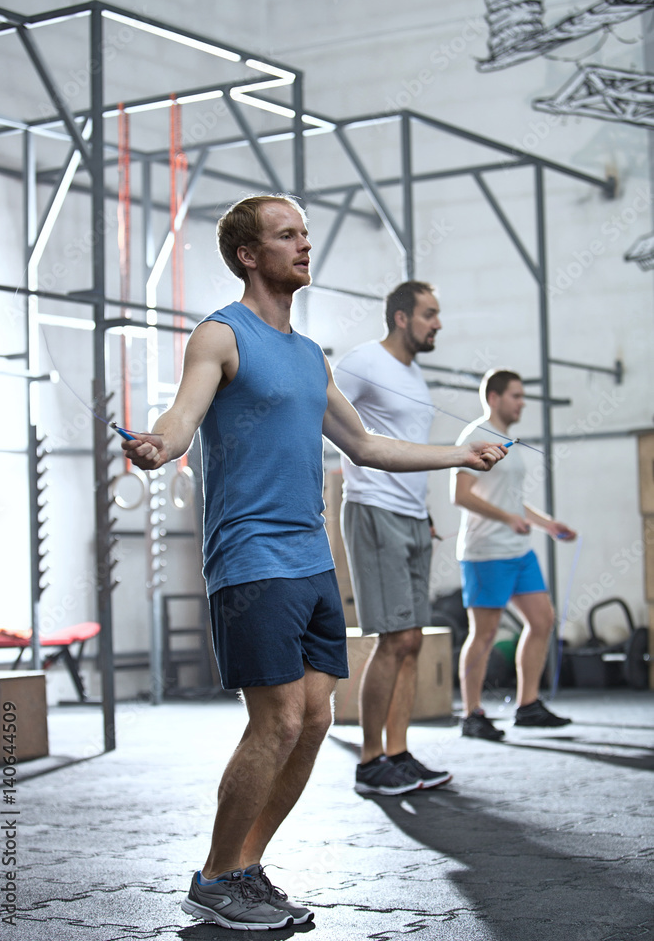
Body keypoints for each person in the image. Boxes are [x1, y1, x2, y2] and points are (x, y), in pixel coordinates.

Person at [121, 193, 508, 930]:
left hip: (309, 559)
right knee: (276, 720)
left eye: (305, 232)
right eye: (285, 235)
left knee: (315, 719)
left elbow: (365, 446)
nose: (304, 245)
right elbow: (182, 415)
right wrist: (158, 445)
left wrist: (460, 450)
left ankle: (242, 866)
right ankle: (213, 876)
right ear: (248, 254)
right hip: (250, 558)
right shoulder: (220, 335)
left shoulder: (307, 356)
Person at [334, 281, 453, 796]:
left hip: (410, 515)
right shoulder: (363, 361)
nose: (438, 324)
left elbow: (409, 446)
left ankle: (398, 753)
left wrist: (423, 511)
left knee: (410, 644)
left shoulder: (413, 374)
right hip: (374, 509)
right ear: (402, 317)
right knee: (395, 638)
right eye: (429, 314)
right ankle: (369, 763)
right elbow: (318, 409)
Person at [450, 369, 577, 741]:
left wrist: (548, 524)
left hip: (519, 551)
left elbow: (510, 499)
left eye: (523, 396)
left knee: (542, 620)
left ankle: (528, 705)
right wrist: (507, 518)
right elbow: (461, 495)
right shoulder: (474, 437)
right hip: (486, 552)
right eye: (516, 396)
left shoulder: (509, 441)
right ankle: (472, 714)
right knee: (485, 634)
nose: (522, 402)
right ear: (494, 397)